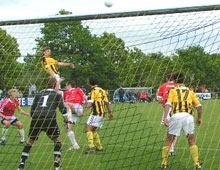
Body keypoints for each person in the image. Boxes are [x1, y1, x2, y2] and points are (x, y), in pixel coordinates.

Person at [18, 77, 68, 170]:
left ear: (46, 84)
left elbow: (32, 110)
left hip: (36, 119)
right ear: (55, 85)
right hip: (49, 119)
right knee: (57, 140)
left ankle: (21, 165)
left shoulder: (38, 94)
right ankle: (56, 166)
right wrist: (66, 121)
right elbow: (63, 109)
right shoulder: (57, 95)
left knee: (30, 142)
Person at [161, 73, 202, 169]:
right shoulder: (190, 91)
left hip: (176, 116)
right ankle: (197, 164)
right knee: (191, 140)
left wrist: (165, 117)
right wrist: (199, 118)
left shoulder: (172, 90)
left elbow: (168, 104)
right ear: (184, 81)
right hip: (188, 116)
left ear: (174, 81)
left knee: (169, 139)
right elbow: (199, 107)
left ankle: (164, 163)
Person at [78, 77, 114, 154]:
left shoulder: (93, 91)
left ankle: (91, 147)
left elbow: (90, 103)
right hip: (102, 113)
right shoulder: (103, 91)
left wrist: (84, 112)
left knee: (88, 129)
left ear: (90, 83)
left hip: (95, 113)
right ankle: (99, 147)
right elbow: (107, 103)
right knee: (93, 130)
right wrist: (110, 113)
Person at [56, 78, 87, 151]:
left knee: (64, 104)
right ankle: (75, 145)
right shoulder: (65, 92)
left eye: (66, 85)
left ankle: (71, 107)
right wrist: (58, 82)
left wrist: (86, 105)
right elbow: (56, 91)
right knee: (68, 128)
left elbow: (84, 97)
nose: (65, 87)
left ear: (69, 85)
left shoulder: (77, 89)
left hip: (77, 107)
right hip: (71, 111)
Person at [157, 73, 177, 156]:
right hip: (177, 109)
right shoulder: (177, 86)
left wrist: (164, 102)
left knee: (169, 128)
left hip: (167, 109)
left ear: (167, 78)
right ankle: (172, 148)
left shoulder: (163, 86)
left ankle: (169, 147)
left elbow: (159, 99)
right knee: (175, 129)